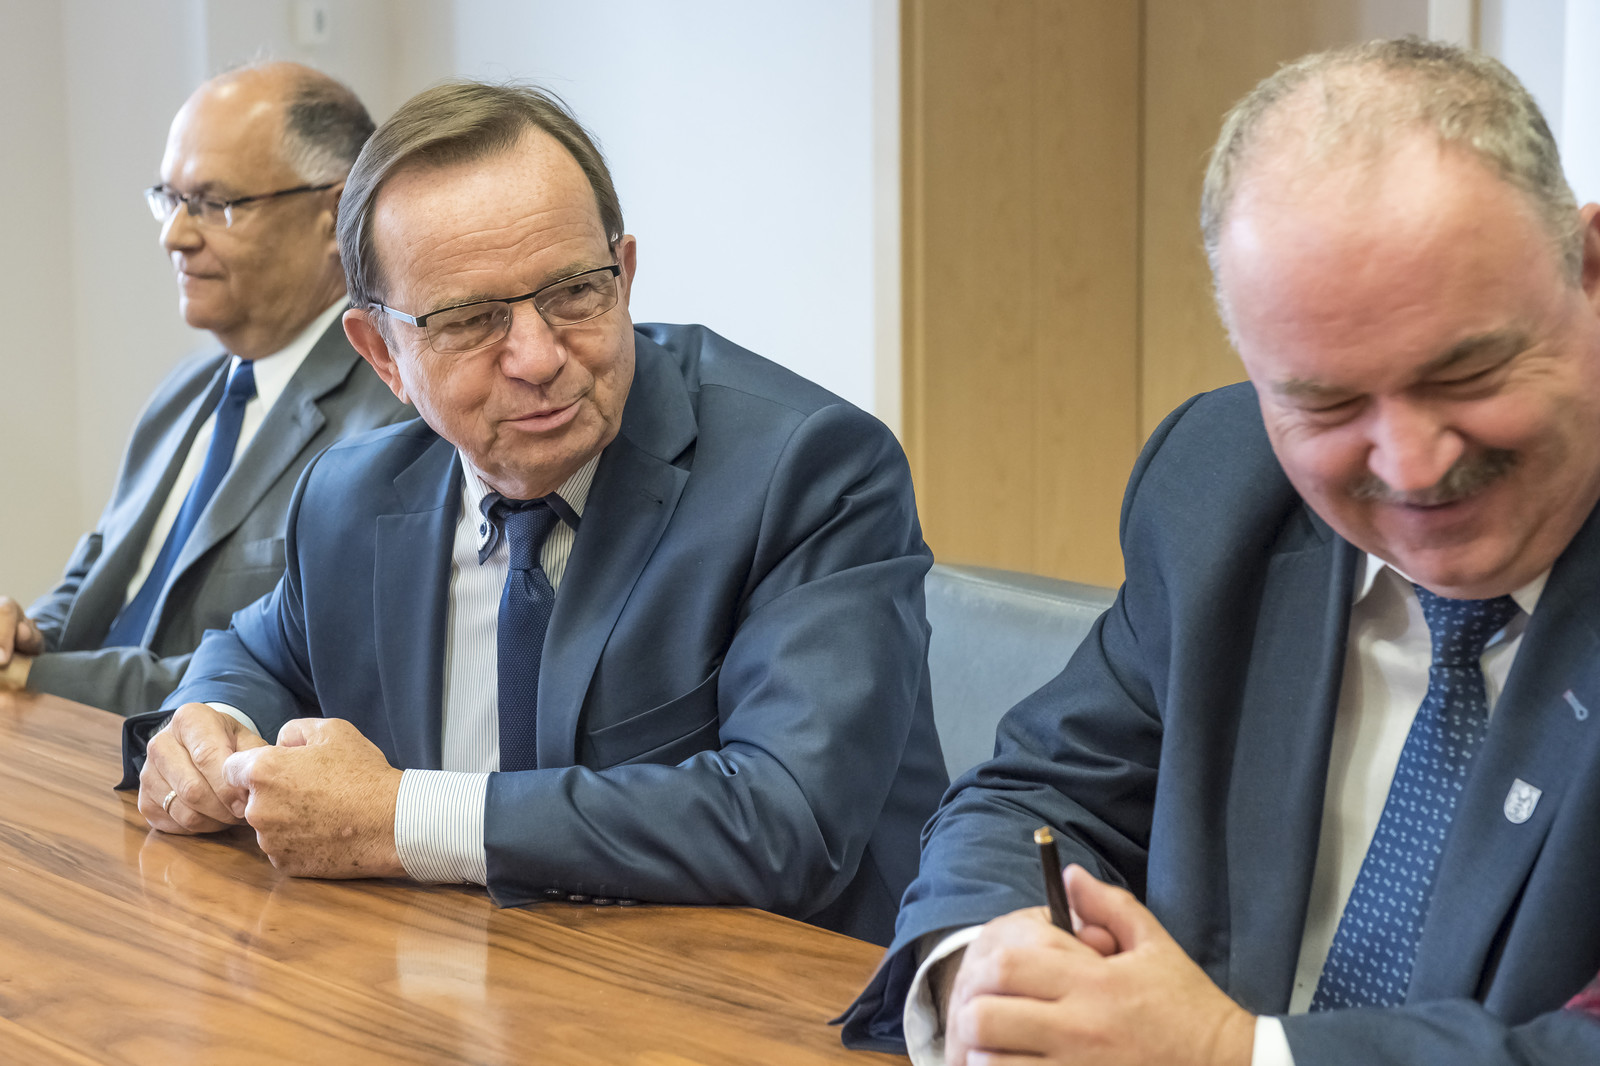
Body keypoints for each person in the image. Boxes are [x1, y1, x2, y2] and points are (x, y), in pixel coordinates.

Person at [841, 37, 1600, 1064]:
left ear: (1589, 270)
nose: (1413, 464)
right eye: (1327, 403)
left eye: (1466, 374)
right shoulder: (1219, 484)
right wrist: (991, 966)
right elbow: (1043, 798)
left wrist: (1235, 1052)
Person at [118, 82, 947, 945]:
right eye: (472, 320)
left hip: (749, 988)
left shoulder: (810, 470)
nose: (539, 356)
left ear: (624, 276)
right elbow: (252, 653)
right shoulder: (351, 496)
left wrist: (401, 816)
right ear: (382, 355)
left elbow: (787, 822)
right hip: (449, 976)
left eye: (575, 292)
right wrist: (213, 727)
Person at [0, 62, 410, 716]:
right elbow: (96, 577)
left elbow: (288, 677)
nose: (174, 235)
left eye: (215, 205)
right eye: (169, 198)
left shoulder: (393, 420)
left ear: (333, 216)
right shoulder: (184, 393)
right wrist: (23, 638)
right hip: (58, 736)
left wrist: (37, 677)